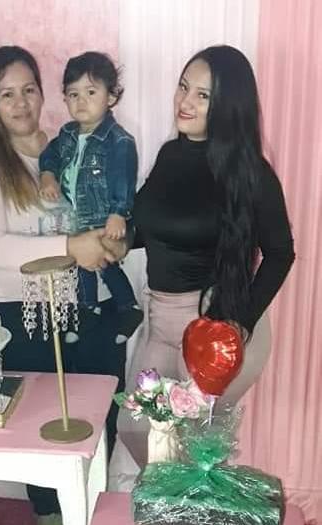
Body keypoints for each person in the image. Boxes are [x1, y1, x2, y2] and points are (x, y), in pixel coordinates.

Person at [0, 45, 126, 525]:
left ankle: (93, 514)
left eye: (28, 89)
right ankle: (51, 520)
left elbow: (101, 212)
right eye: (6, 94)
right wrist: (72, 247)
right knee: (42, 426)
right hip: (20, 312)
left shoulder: (65, 147)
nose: (21, 103)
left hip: (86, 305)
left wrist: (116, 239)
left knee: (100, 414)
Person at [109, 45, 295, 491]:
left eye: (203, 95)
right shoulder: (170, 155)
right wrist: (115, 241)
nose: (185, 101)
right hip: (161, 319)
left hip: (217, 322)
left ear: (227, 105)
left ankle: (187, 521)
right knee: (135, 428)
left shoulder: (250, 171)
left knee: (191, 450)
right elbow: (153, 230)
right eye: (183, 87)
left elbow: (281, 252)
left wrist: (238, 323)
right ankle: (160, 514)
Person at [39, 51, 143, 344]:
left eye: (91, 92)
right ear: (64, 98)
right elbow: (50, 154)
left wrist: (118, 212)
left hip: (103, 217)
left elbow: (124, 177)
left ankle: (129, 307)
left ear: (111, 96)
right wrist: (47, 174)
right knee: (81, 263)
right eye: (73, 94)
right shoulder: (67, 134)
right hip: (73, 217)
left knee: (106, 263)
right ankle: (88, 308)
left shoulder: (118, 140)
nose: (81, 101)